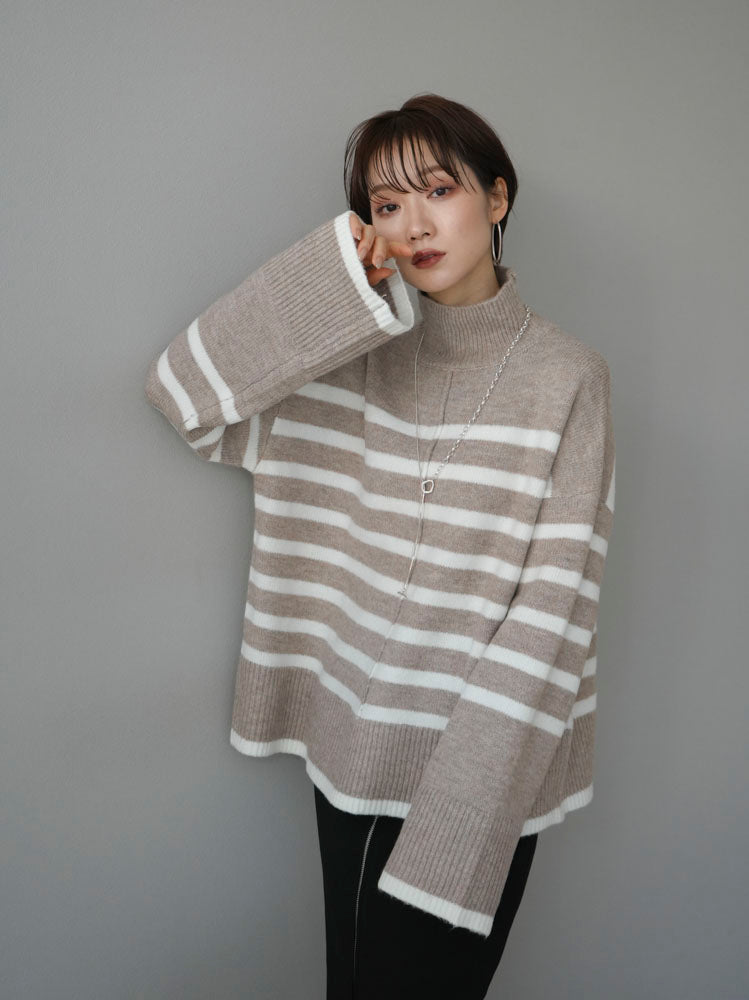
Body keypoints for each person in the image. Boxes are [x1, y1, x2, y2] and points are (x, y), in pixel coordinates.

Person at [144, 92, 615, 999]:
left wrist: (464, 807)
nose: (414, 225)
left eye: (438, 190)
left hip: (489, 769)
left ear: (497, 197)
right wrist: (330, 283)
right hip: (354, 758)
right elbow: (182, 395)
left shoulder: (568, 379)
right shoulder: (342, 358)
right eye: (386, 205)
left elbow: (554, 613)